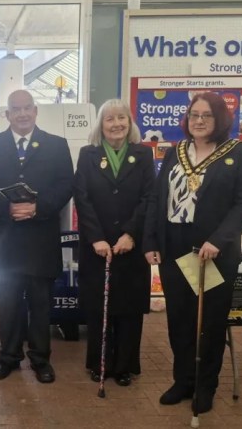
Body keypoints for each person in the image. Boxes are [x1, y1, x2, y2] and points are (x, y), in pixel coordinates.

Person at [143, 92, 242, 413]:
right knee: (179, 318)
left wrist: (219, 240)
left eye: (207, 115)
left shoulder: (239, 154)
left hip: (211, 251)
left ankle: (206, 385)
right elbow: (157, 198)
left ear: (220, 119)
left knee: (209, 320)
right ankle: (183, 380)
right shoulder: (176, 151)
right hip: (174, 246)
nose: (199, 120)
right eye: (194, 114)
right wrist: (150, 241)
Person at [0, 90, 74, 383]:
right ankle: (8, 357)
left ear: (35, 110)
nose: (22, 114)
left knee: (41, 306)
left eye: (27, 108)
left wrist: (37, 208)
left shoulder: (57, 145)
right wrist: (6, 208)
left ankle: (41, 360)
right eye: (16, 109)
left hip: (41, 241)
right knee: (7, 303)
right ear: (7, 114)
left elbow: (66, 185)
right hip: (4, 242)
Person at [73, 99, 154, 387]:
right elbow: (82, 198)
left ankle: (125, 366)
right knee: (99, 309)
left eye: (122, 118)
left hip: (131, 246)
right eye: (110, 119)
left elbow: (149, 197)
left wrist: (131, 234)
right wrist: (96, 237)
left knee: (129, 309)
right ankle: (100, 364)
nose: (116, 124)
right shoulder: (88, 155)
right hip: (97, 247)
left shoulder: (143, 154)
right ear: (101, 124)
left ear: (130, 122)